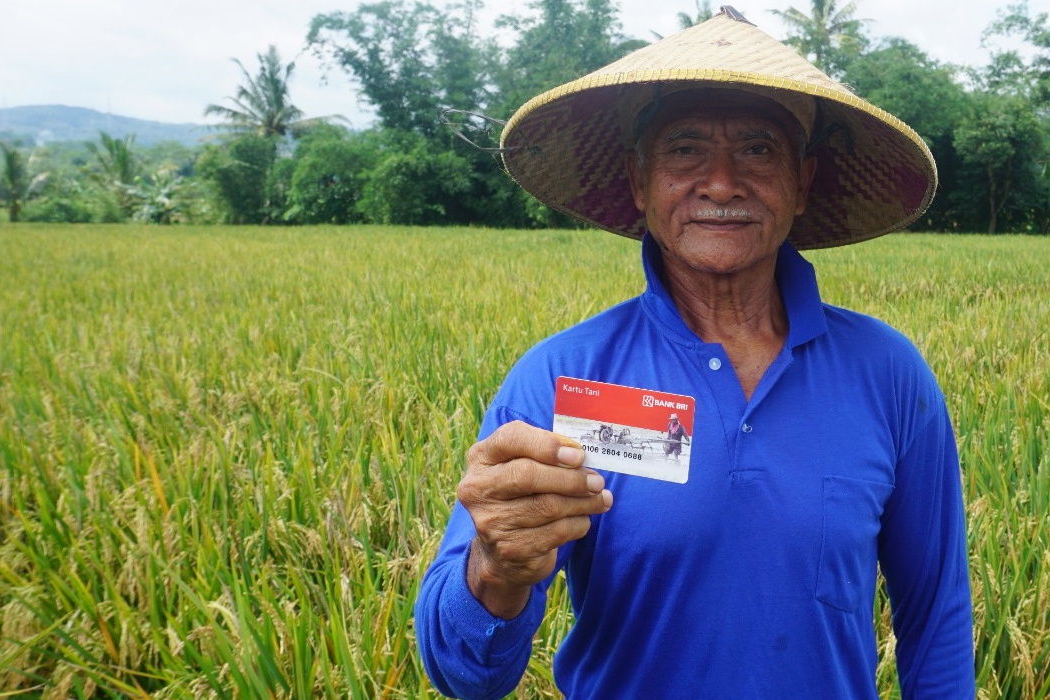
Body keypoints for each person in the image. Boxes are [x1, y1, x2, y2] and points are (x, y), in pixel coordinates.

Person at [415, 7, 974, 700]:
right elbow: (465, 675)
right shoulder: (563, 379)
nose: (720, 182)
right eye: (684, 149)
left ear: (802, 183)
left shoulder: (888, 373)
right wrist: (494, 570)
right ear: (638, 181)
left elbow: (936, 617)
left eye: (758, 150)